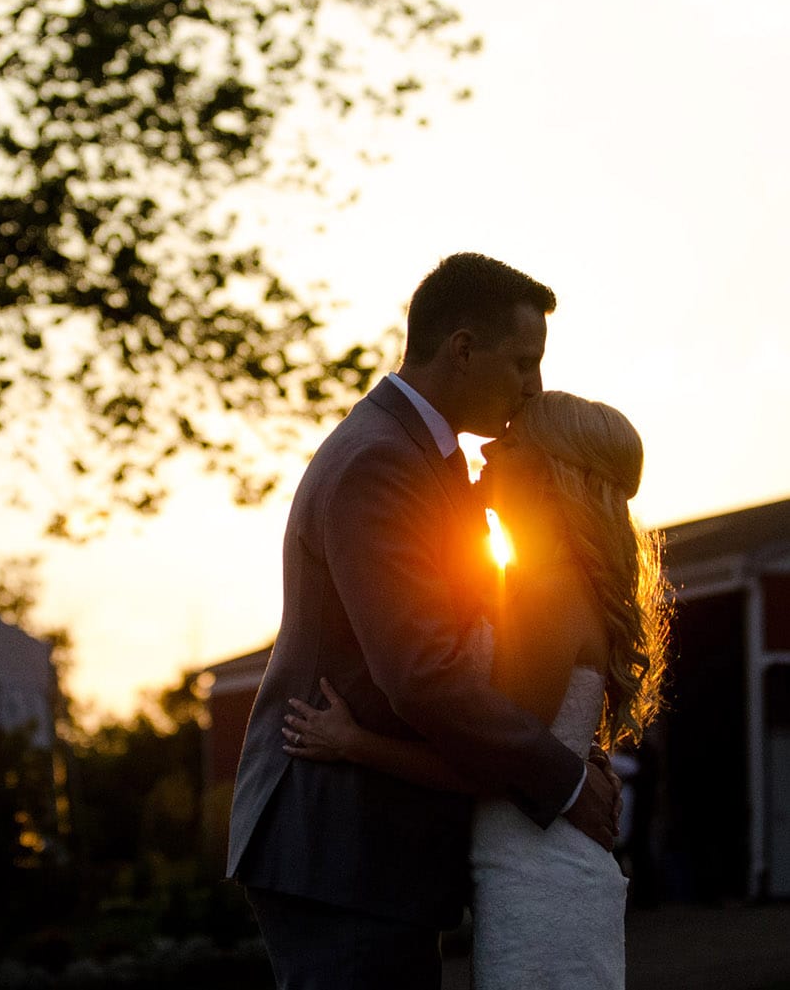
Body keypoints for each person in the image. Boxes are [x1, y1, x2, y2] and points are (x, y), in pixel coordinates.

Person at [226, 253, 621, 990]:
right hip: (338, 840)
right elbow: (420, 671)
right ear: (462, 348)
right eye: (522, 363)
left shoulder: (424, 461)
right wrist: (560, 775)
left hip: (373, 849)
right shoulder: (379, 462)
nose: (532, 388)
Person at [281, 390, 670, 988]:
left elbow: (493, 766)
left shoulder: (548, 593)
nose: (488, 444)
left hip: (541, 882)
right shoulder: (532, 582)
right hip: (524, 870)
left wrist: (355, 744)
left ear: (547, 473)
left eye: (512, 441)